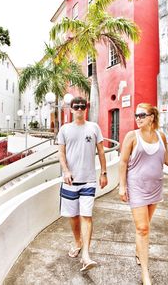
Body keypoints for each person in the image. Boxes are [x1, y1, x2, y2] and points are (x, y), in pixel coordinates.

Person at [119, 103, 168, 285]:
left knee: (146, 226)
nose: (138, 118)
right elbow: (123, 162)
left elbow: (166, 159)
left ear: (152, 117)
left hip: (155, 187)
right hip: (136, 187)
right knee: (142, 229)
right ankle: (145, 273)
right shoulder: (132, 136)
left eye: (142, 115)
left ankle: (139, 251)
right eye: (136, 115)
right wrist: (122, 186)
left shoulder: (161, 136)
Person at [58, 96, 108, 272]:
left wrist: (103, 172)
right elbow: (61, 153)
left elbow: (101, 151)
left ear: (85, 108)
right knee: (73, 217)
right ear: (71, 109)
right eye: (76, 106)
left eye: (82, 106)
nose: (79, 108)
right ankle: (77, 242)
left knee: (86, 215)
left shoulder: (93, 127)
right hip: (70, 181)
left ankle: (86, 255)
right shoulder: (64, 129)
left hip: (89, 181)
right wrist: (65, 170)